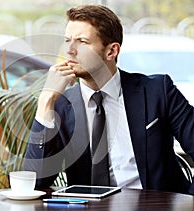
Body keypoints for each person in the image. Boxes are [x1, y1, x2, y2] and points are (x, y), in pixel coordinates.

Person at [23, 4, 194, 195]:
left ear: (111, 51)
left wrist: (188, 202)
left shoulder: (158, 91)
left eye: (82, 41)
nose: (70, 50)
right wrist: (45, 101)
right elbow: (34, 181)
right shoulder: (61, 105)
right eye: (67, 40)